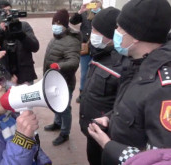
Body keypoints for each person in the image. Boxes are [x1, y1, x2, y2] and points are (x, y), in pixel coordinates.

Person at [87, 0, 171, 164]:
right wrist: (111, 119)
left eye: (119, 28)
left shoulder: (164, 89)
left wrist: (108, 145)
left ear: (136, 36)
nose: (115, 32)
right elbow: (137, 107)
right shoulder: (137, 63)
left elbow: (159, 158)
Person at [78, 7, 127, 165]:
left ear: (111, 35)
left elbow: (126, 105)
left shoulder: (122, 65)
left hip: (108, 135)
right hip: (92, 131)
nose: (92, 34)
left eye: (96, 30)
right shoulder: (99, 53)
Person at [43, 9, 81, 146]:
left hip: (64, 81)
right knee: (56, 104)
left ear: (65, 25)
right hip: (54, 80)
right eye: (54, 22)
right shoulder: (56, 38)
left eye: (59, 23)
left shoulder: (71, 41)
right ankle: (57, 123)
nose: (56, 25)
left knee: (64, 107)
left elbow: (74, 61)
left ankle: (65, 133)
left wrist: (58, 66)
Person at [0, 0, 39, 85]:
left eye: (10, 11)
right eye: (5, 12)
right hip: (7, 80)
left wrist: (21, 35)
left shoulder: (24, 26)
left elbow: (35, 47)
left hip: (26, 77)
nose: (8, 14)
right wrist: (0, 34)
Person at [70, 0, 102, 103]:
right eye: (93, 2)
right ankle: (82, 93)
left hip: (100, 48)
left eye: (97, 2)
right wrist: (80, 11)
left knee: (98, 72)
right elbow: (72, 21)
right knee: (84, 72)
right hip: (86, 48)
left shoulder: (105, 13)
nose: (95, 4)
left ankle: (95, 94)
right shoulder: (85, 13)